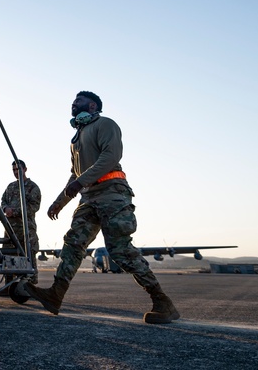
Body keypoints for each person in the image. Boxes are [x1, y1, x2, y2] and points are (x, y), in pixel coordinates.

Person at [25, 91, 180, 324]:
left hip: (112, 193)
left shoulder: (105, 124)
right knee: (73, 244)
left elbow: (110, 156)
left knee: (119, 250)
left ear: (92, 105)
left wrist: (80, 182)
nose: (73, 104)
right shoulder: (76, 138)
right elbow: (74, 175)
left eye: (77, 101)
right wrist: (59, 202)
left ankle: (162, 301)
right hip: (88, 198)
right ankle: (55, 295)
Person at [1, 159, 42, 283]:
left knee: (29, 256)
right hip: (10, 229)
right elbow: (3, 200)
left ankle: (31, 286)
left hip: (26, 228)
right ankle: (9, 285)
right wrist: (5, 208)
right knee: (8, 257)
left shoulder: (32, 187)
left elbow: (34, 207)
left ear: (25, 169)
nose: (15, 172)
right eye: (13, 170)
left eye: (18, 169)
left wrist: (15, 211)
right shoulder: (10, 187)